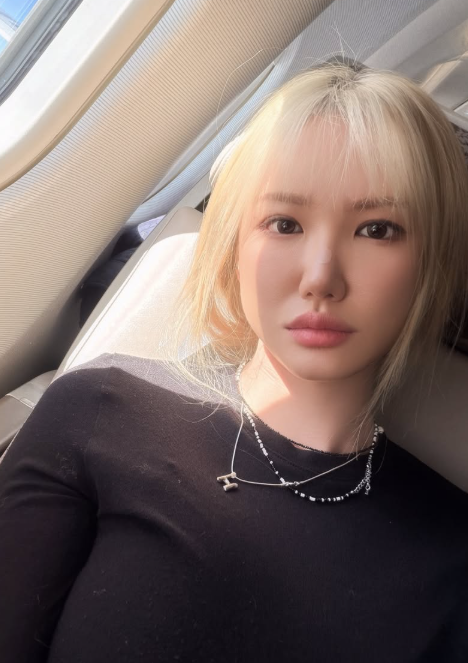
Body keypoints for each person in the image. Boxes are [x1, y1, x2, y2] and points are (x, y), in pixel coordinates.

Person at [1, 62, 468, 663]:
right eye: (284, 224)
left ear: (432, 262)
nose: (320, 277)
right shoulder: (99, 412)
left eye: (377, 229)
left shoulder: (452, 555)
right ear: (235, 244)